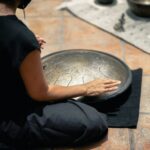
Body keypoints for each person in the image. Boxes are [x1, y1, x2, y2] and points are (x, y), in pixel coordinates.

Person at [0, 0, 121, 149]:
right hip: (9, 119)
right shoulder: (21, 37)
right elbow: (41, 93)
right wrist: (86, 87)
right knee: (94, 121)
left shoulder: (19, 36)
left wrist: (23, 45)